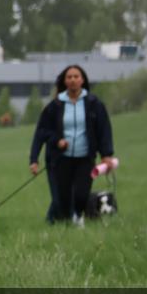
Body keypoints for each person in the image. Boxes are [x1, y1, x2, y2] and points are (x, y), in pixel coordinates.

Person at [30, 65, 115, 227]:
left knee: (82, 194)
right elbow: (41, 132)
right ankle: (60, 224)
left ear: (82, 80)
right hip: (60, 159)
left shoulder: (94, 103)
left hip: (85, 158)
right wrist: (35, 158)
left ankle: (77, 217)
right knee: (61, 198)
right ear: (64, 81)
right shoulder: (55, 106)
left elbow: (104, 130)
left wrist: (106, 155)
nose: (73, 80)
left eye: (76, 76)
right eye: (69, 77)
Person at [29, 88, 60, 224]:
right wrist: (34, 160)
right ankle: (50, 221)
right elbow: (39, 136)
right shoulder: (50, 110)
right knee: (58, 197)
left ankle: (70, 221)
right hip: (54, 161)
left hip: (79, 160)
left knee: (76, 195)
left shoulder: (83, 107)